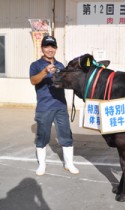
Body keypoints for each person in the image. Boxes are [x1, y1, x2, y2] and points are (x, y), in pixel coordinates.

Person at [29, 35, 79, 176]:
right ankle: (42, 165)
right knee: (42, 136)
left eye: (52, 47)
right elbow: (33, 80)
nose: (49, 49)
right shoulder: (36, 65)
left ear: (56, 49)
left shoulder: (60, 66)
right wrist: (45, 72)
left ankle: (69, 164)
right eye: (47, 46)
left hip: (60, 106)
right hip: (44, 107)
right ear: (42, 48)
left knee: (65, 135)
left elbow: (68, 82)